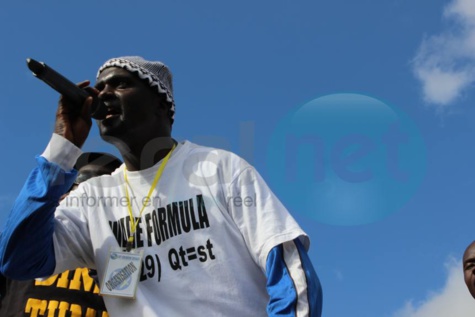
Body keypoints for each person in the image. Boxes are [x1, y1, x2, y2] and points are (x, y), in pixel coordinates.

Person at [0, 56, 323, 316]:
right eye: (99, 88)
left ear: (161, 104)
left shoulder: (218, 168)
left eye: (121, 84)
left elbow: (290, 272)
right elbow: (19, 259)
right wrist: (63, 147)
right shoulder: (92, 198)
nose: (103, 95)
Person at [0, 152, 122, 317]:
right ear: (63, 197)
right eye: (77, 194)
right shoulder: (26, 246)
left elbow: (131, 306)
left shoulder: (125, 257)